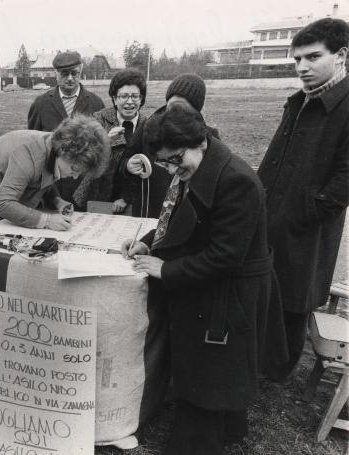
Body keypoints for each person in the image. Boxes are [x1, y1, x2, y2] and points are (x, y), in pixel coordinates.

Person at [122, 103, 275, 454]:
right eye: (165, 162)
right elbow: (175, 220)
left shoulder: (236, 181)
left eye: (176, 160)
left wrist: (166, 269)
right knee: (212, 368)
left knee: (210, 370)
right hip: (212, 286)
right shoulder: (196, 169)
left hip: (229, 292)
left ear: (201, 142)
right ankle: (226, 428)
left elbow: (225, 256)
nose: (172, 169)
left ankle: (197, 443)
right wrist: (148, 243)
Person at [257, 17, 349, 377]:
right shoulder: (300, 100)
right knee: (267, 287)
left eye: (312, 57)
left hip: (306, 226)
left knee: (294, 297)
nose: (302, 67)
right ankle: (261, 360)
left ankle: (278, 369)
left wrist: (306, 212)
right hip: (272, 214)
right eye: (297, 60)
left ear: (341, 55)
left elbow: (346, 179)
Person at [0, 115, 110, 247]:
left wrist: (57, 202)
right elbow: (3, 204)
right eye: (74, 169)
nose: (74, 177)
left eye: (80, 173)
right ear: (64, 151)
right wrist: (47, 220)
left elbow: (44, 179)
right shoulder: (28, 155)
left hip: (2, 184)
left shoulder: (54, 148)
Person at [125, 73, 220, 218]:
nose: (174, 113)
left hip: (185, 212)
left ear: (195, 112)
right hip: (150, 207)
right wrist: (128, 164)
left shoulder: (207, 137)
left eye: (182, 109)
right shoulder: (148, 127)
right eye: (171, 106)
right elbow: (126, 156)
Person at [27, 51, 105, 206]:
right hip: (51, 186)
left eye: (74, 73)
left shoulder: (96, 104)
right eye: (64, 74)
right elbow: (33, 146)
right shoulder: (40, 104)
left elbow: (99, 149)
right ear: (56, 74)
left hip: (83, 185)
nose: (70, 78)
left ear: (81, 71)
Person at [71, 68, 148, 213]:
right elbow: (83, 156)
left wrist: (126, 197)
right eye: (124, 96)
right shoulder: (99, 118)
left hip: (130, 200)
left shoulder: (147, 125)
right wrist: (106, 140)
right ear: (114, 98)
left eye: (135, 96)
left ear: (141, 98)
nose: (129, 102)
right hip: (96, 195)